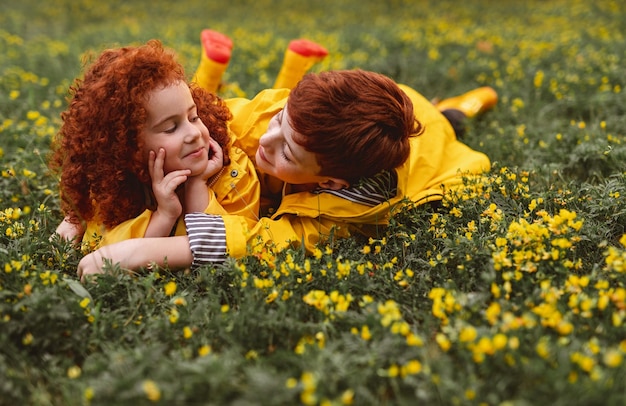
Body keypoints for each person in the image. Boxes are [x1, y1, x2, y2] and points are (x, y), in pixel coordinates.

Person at [76, 66, 495, 281]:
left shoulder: (348, 208)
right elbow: (202, 122)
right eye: (281, 119)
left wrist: (137, 253)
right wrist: (76, 213)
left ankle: (468, 105)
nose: (266, 140)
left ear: (329, 181)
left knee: (449, 119)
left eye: (288, 151)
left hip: (436, 154)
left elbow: (256, 241)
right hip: (394, 101)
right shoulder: (291, 118)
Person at [49, 40, 261, 250]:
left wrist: (197, 186)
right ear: (127, 149)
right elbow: (111, 252)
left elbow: (223, 251)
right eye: (170, 128)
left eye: (194, 117)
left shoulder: (234, 173)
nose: (194, 134)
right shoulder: (115, 189)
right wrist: (164, 215)